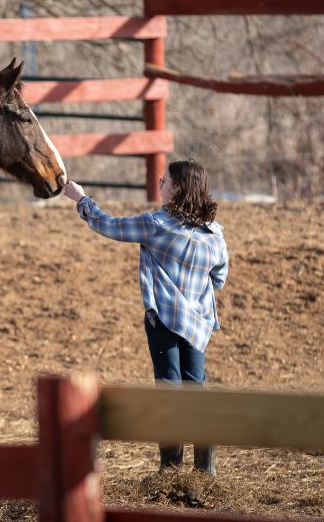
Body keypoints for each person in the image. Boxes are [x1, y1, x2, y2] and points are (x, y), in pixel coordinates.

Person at [63, 159, 229, 475]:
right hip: (198, 324)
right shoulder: (215, 236)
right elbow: (219, 276)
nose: (159, 184)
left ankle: (170, 471)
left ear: (178, 189)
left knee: (168, 391)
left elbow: (108, 225)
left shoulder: (154, 225)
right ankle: (204, 473)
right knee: (196, 391)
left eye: (164, 181)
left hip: (163, 320)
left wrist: (81, 200)